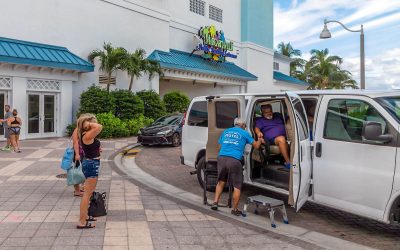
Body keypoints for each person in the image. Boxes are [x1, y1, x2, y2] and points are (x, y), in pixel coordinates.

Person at [211, 118, 263, 216]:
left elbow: (219, 147)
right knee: (237, 186)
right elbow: (256, 146)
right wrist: (259, 139)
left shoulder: (226, 131)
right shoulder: (244, 133)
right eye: (245, 126)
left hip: (222, 158)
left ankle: (215, 202)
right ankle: (235, 209)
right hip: (234, 160)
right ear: (243, 125)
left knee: (221, 182)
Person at [76, 113, 102, 229]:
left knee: (89, 192)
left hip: (91, 162)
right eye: (92, 122)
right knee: (87, 194)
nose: (95, 123)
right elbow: (99, 127)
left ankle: (85, 216)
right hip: (91, 164)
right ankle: (82, 222)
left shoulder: (85, 134)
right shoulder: (86, 135)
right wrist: (88, 122)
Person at [254, 104, 291, 169]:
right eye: (266, 112)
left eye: (270, 111)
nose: (269, 113)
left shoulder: (278, 117)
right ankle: (288, 163)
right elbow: (257, 128)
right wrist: (258, 133)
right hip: (271, 139)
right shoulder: (260, 120)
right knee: (281, 139)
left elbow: (288, 119)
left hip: (286, 137)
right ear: (262, 113)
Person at [71, 114, 97, 197]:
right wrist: (77, 154)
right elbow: (75, 142)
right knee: (77, 172)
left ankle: (83, 187)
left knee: (85, 171)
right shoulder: (77, 130)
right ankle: (77, 191)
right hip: (78, 153)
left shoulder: (86, 130)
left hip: (86, 153)